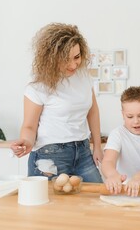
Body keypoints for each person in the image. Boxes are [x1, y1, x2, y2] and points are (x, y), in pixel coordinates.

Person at [10, 23, 103, 183]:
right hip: (49, 156)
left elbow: (92, 111)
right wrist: (26, 142)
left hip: (83, 152)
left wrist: (97, 147)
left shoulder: (84, 76)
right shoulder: (39, 84)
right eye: (66, 59)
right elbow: (30, 126)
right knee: (50, 207)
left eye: (77, 57)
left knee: (96, 201)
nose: (74, 65)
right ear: (52, 58)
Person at [101, 86, 140, 194]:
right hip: (123, 190)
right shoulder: (118, 134)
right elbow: (107, 161)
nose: (136, 121)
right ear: (123, 115)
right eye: (130, 117)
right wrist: (112, 175)